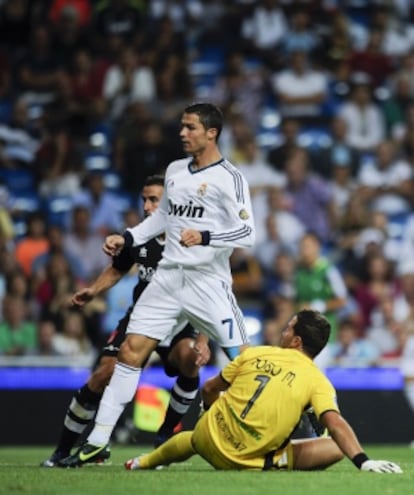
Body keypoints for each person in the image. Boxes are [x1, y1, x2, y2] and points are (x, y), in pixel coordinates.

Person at [61, 102, 255, 467]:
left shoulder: (230, 177)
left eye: (191, 127)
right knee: (131, 352)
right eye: (182, 127)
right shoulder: (175, 171)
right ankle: (99, 441)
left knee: (243, 360)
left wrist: (207, 235)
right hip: (167, 276)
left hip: (207, 281)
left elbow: (248, 231)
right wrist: (128, 237)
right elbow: (165, 217)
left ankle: (298, 423)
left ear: (212, 133)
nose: (182, 133)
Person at [41, 175, 210, 467]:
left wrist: (205, 340)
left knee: (190, 358)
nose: (146, 206)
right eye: (144, 199)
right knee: (102, 373)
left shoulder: (190, 239)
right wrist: (93, 290)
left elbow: (210, 289)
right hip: (141, 318)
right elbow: (117, 270)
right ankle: (64, 449)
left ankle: (166, 434)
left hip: (181, 322)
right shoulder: (136, 236)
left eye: (154, 199)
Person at [124, 309, 402, 474]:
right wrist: (364, 462)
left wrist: (211, 416)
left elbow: (209, 388)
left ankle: (140, 462)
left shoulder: (254, 353)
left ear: (295, 340)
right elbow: (336, 423)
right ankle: (276, 456)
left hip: (209, 437)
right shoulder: (318, 381)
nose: (283, 330)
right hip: (249, 461)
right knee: (332, 446)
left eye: (288, 327)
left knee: (192, 439)